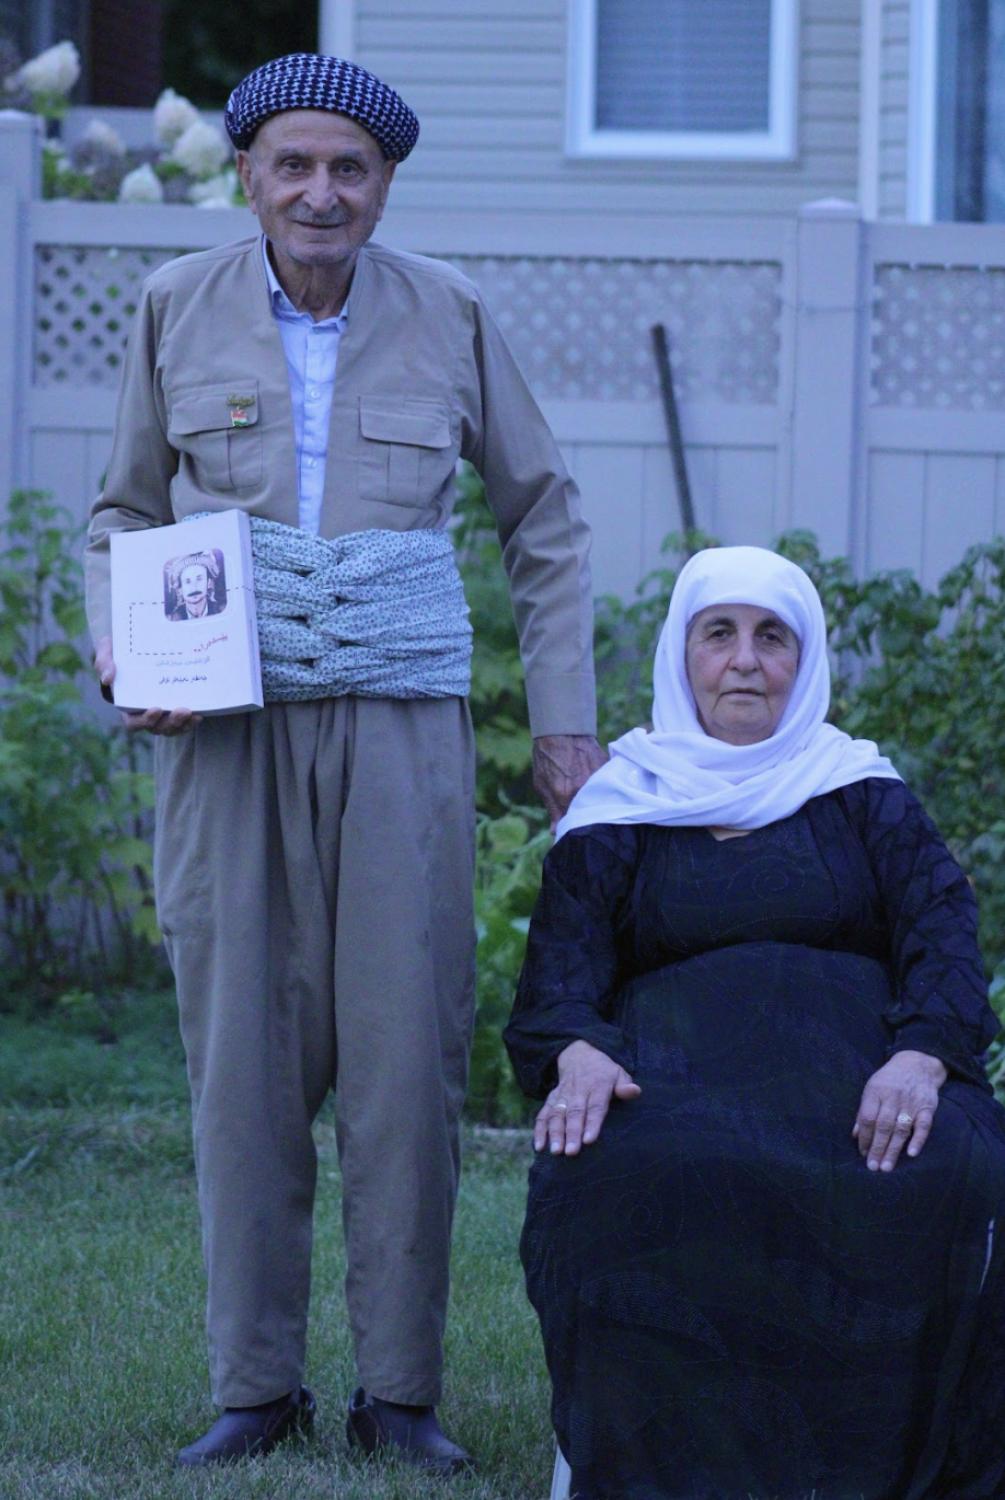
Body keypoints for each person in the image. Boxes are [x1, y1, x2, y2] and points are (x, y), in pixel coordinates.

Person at [84, 52, 605, 1473]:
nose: (321, 193)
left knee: (403, 1061)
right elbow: (124, 510)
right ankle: (255, 1387)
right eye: (294, 166)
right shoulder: (173, 305)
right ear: (249, 175)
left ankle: (400, 1393)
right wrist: (130, 652)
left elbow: (544, 518)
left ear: (384, 185)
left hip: (399, 725)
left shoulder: (452, 314)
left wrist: (565, 723)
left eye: (350, 170)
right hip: (228, 727)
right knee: (240, 1062)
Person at [505, 545, 1005, 1500]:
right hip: (672, 1086)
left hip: (861, 1086)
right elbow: (559, 971)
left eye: (772, 637)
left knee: (957, 1165)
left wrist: (920, 1057)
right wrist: (576, 1053)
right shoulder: (622, 806)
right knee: (612, 1174)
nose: (744, 660)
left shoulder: (862, 793)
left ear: (803, 660)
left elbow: (942, 934)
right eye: (718, 634)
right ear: (681, 654)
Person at [167, 555, 223, 621]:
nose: (194, 587)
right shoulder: (172, 619)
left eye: (199, 579)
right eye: (187, 582)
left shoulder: (221, 611)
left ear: (208, 582)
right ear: (180, 589)